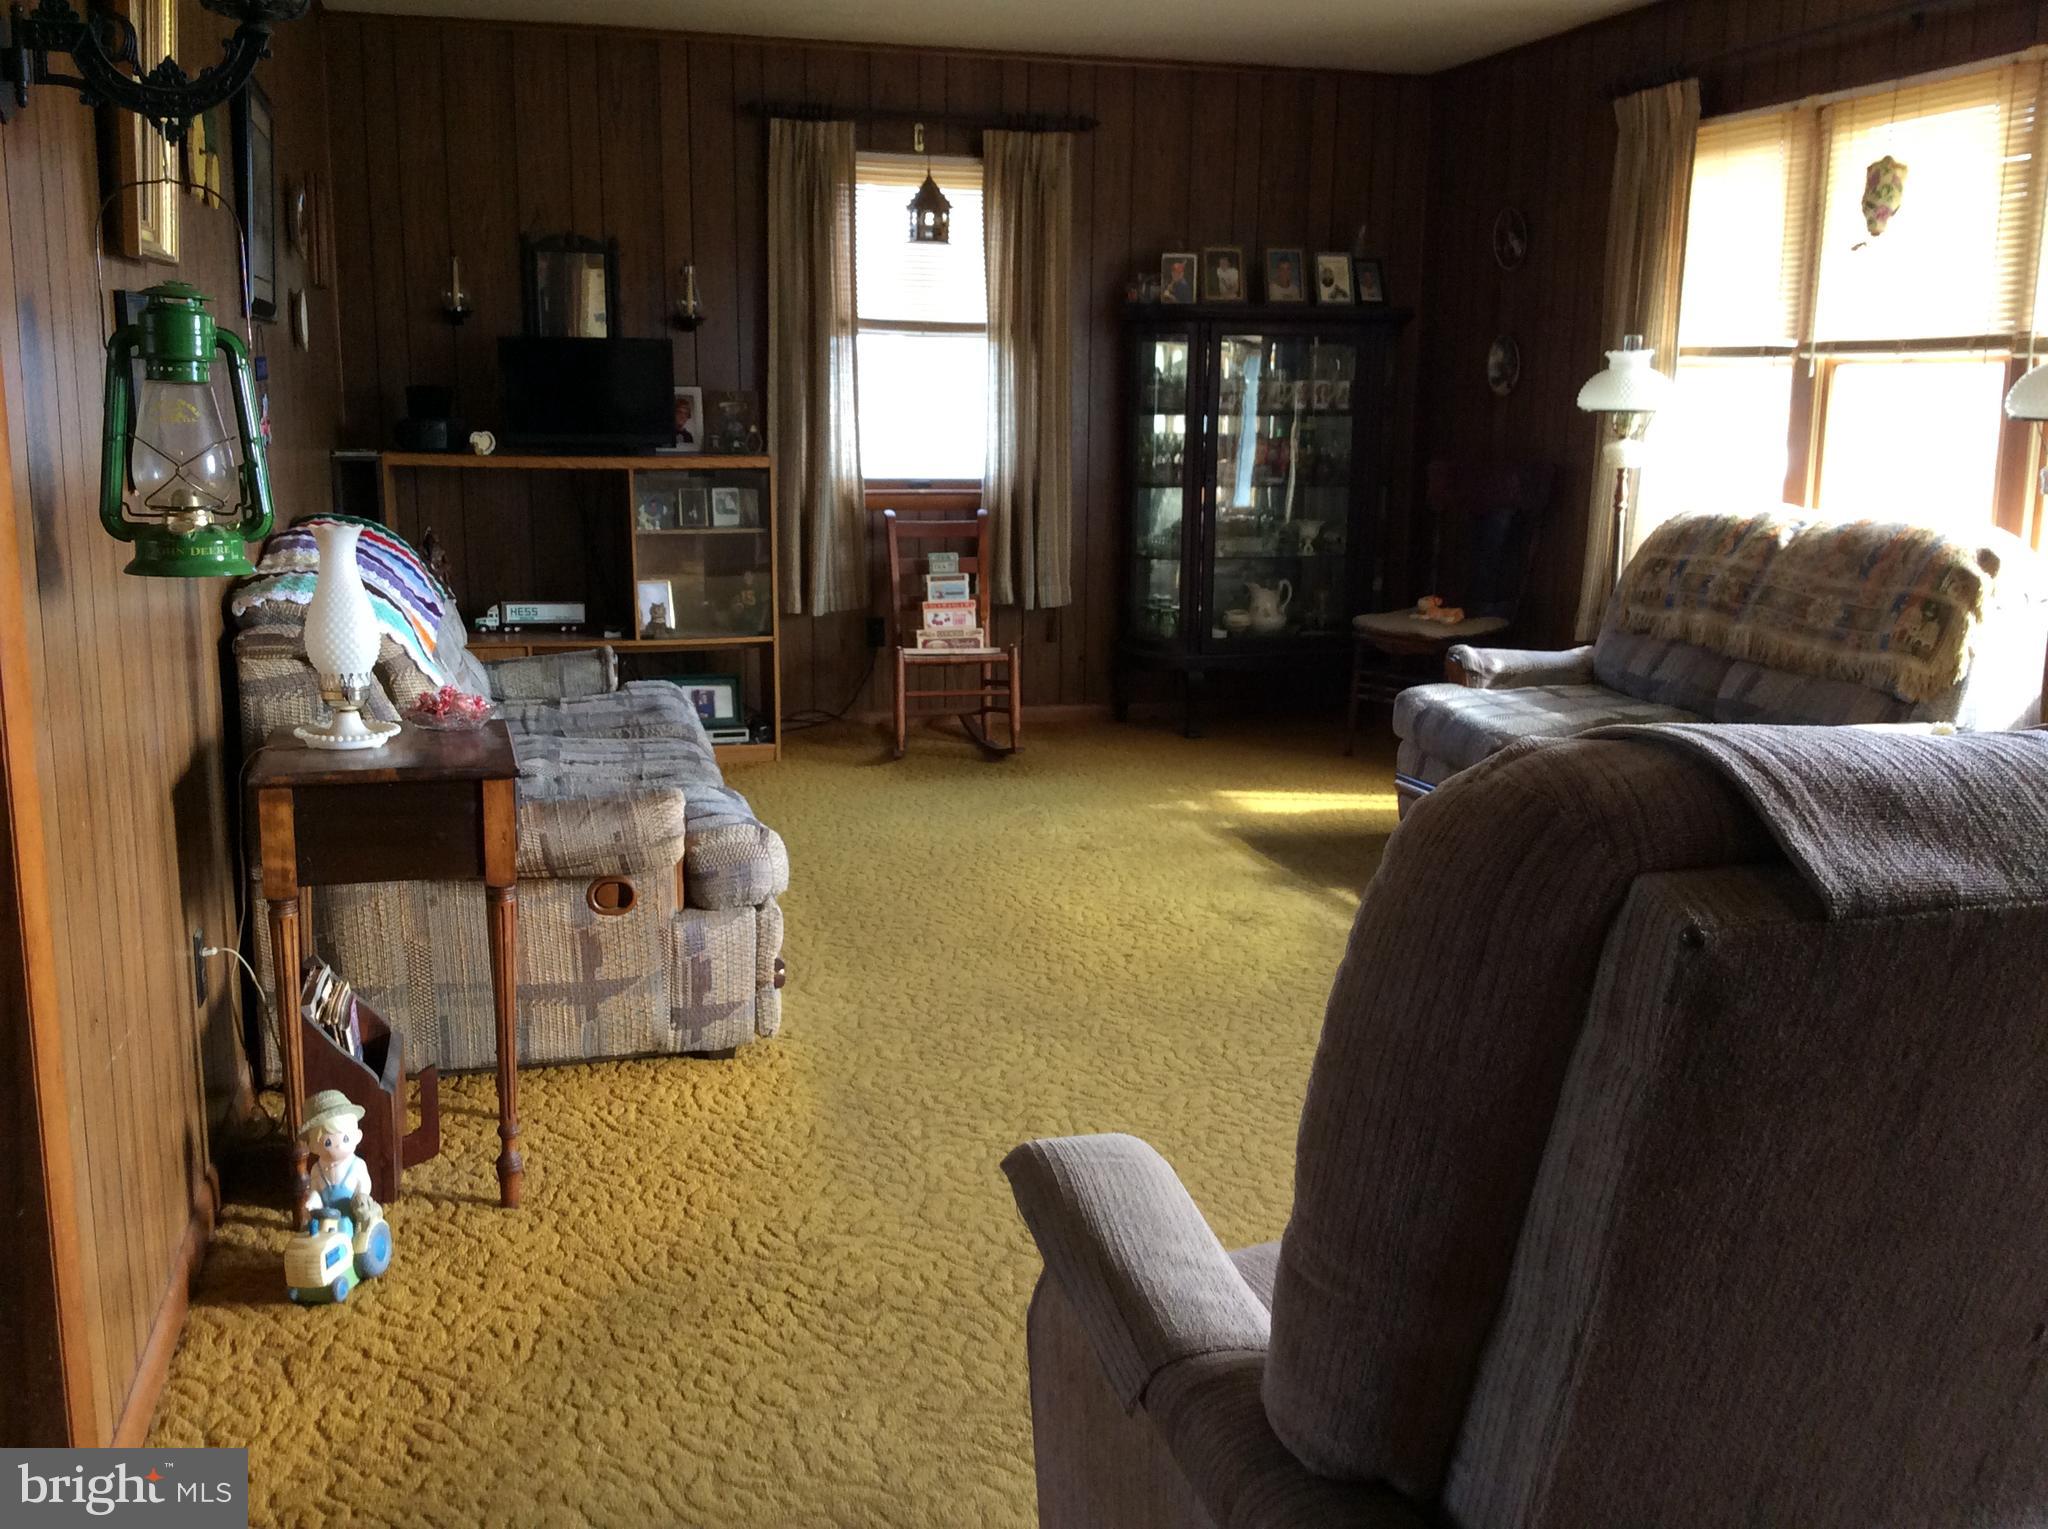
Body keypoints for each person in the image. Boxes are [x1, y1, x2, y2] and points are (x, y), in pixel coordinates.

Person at [300, 1089, 376, 1224]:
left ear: (357, 1136)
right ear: (313, 1147)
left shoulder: (357, 1165)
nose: (338, 1146)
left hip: (352, 1214)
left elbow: (364, 1183)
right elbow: (316, 1191)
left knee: (349, 1228)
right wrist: (312, 1201)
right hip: (326, 1218)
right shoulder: (317, 1170)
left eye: (345, 1139)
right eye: (328, 1142)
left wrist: (361, 1197)